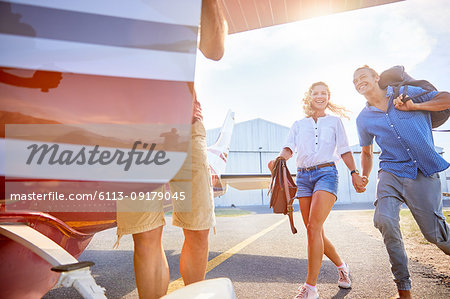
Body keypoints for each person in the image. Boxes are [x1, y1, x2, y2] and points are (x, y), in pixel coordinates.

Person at [116, 1, 227, 298]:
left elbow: (215, 50)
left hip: (186, 123)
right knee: (146, 235)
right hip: (130, 128)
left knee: (199, 228)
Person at [353, 65, 450, 299]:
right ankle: (403, 289)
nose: (358, 81)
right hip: (391, 171)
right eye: (354, 81)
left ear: (377, 78)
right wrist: (364, 174)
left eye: (363, 76)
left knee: (435, 235)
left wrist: (415, 106)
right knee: (384, 220)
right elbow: (366, 152)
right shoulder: (363, 118)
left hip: (422, 171)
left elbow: (446, 99)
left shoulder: (406, 92)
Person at [269, 81, 367, 299]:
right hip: (303, 177)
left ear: (328, 97)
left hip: (327, 174)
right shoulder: (298, 124)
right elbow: (288, 149)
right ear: (309, 96)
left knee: (314, 227)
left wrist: (354, 173)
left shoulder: (334, 122)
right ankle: (342, 267)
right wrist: (279, 159)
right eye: (316, 93)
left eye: (324, 93)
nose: (320, 96)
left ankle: (310, 288)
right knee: (316, 231)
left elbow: (344, 150)